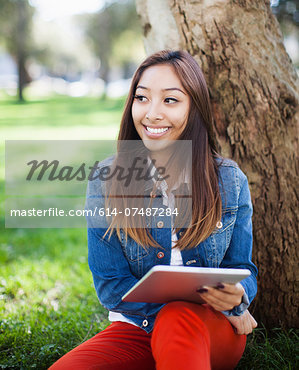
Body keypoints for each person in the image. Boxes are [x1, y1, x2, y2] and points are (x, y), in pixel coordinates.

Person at [49, 50, 258, 370]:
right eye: (142, 98)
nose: (151, 113)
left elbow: (243, 267)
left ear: (194, 108)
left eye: (170, 100)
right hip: (137, 327)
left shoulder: (229, 180)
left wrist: (237, 297)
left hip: (210, 328)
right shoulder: (105, 181)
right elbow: (110, 285)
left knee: (178, 318)